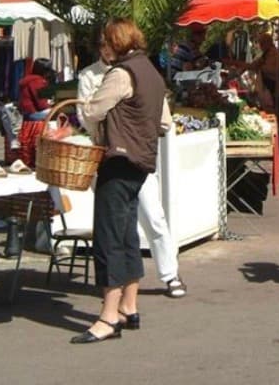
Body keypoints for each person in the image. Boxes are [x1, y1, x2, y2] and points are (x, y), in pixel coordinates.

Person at [73, 18, 166, 344]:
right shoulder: (152, 72)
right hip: (141, 162)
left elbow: (93, 111)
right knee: (127, 234)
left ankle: (108, 316)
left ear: (116, 42)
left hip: (119, 159)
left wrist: (88, 106)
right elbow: (164, 122)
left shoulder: (121, 73)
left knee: (110, 237)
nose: (104, 47)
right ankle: (129, 305)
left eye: (107, 42)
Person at [78, 53, 186, 300]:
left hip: (125, 157)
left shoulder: (130, 74)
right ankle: (125, 300)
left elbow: (162, 120)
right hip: (113, 154)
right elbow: (87, 116)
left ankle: (165, 276)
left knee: (147, 219)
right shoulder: (91, 74)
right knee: (122, 230)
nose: (106, 50)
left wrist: (130, 126)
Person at [241, 32, 279, 139]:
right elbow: (253, 66)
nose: (260, 46)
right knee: (270, 114)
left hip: (277, 90)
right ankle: (274, 136)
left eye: (262, 43)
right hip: (267, 91)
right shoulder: (265, 55)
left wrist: (262, 68)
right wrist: (235, 63)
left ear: (268, 43)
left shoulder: (277, 54)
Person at [10, 57, 57, 167]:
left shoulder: (28, 79)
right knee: (61, 113)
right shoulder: (37, 81)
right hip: (34, 114)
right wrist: (52, 104)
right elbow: (41, 104)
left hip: (27, 113)